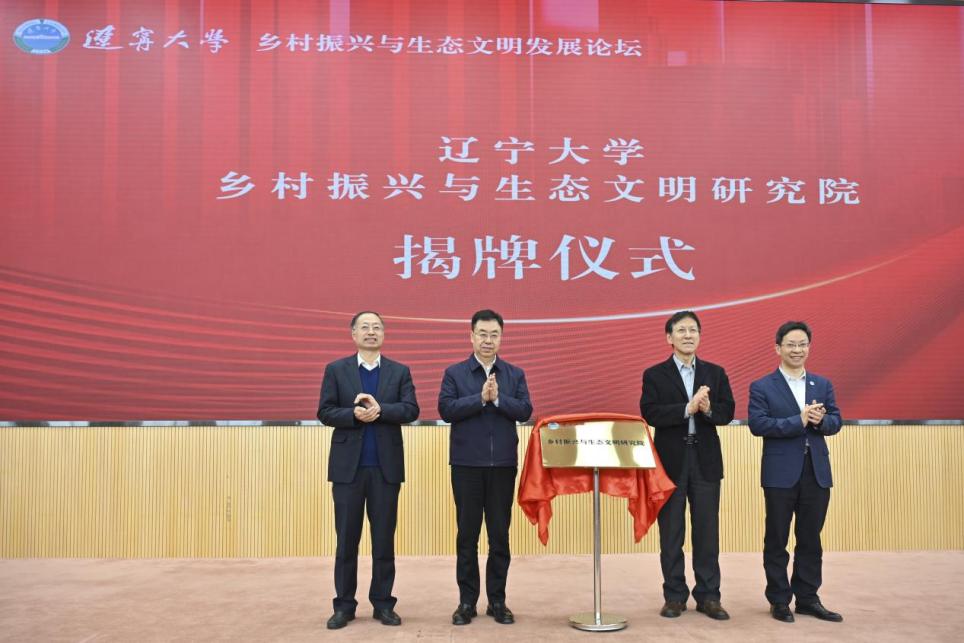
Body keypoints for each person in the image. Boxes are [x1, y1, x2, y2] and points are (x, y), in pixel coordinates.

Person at [317, 311, 419, 629]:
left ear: (384, 334)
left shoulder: (399, 371)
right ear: (353, 334)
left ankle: (383, 604)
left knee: (383, 541)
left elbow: (411, 410)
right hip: (348, 470)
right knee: (346, 541)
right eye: (365, 327)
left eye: (376, 327)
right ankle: (344, 606)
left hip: (385, 470)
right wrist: (353, 415)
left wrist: (381, 410)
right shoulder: (336, 370)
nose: (371, 332)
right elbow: (325, 411)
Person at [438, 309, 533, 626]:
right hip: (466, 465)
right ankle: (466, 602)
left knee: (499, 536)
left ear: (501, 338)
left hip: (502, 465)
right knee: (467, 536)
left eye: (494, 334)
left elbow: (525, 409)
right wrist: (479, 398)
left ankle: (497, 601)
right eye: (482, 333)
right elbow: (446, 409)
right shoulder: (455, 373)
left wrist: (498, 399)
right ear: (471, 336)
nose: (488, 340)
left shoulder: (514, 374)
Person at [640, 311, 735, 620]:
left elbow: (727, 412)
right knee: (671, 532)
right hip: (671, 462)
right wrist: (686, 408)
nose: (688, 335)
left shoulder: (715, 373)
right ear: (669, 337)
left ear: (700, 336)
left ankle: (709, 597)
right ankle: (674, 596)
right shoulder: (655, 374)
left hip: (705, 461)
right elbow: (650, 412)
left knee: (707, 531)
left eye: (693, 330)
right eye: (681, 330)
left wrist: (707, 409)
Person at [748, 321, 843, 623]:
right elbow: (758, 425)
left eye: (803, 344)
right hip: (780, 474)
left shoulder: (822, 384)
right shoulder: (762, 386)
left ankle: (807, 598)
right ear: (778, 348)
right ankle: (779, 599)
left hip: (816, 471)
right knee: (777, 538)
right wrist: (798, 420)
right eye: (791, 344)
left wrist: (820, 421)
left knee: (810, 538)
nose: (797, 350)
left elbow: (836, 421)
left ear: (809, 348)